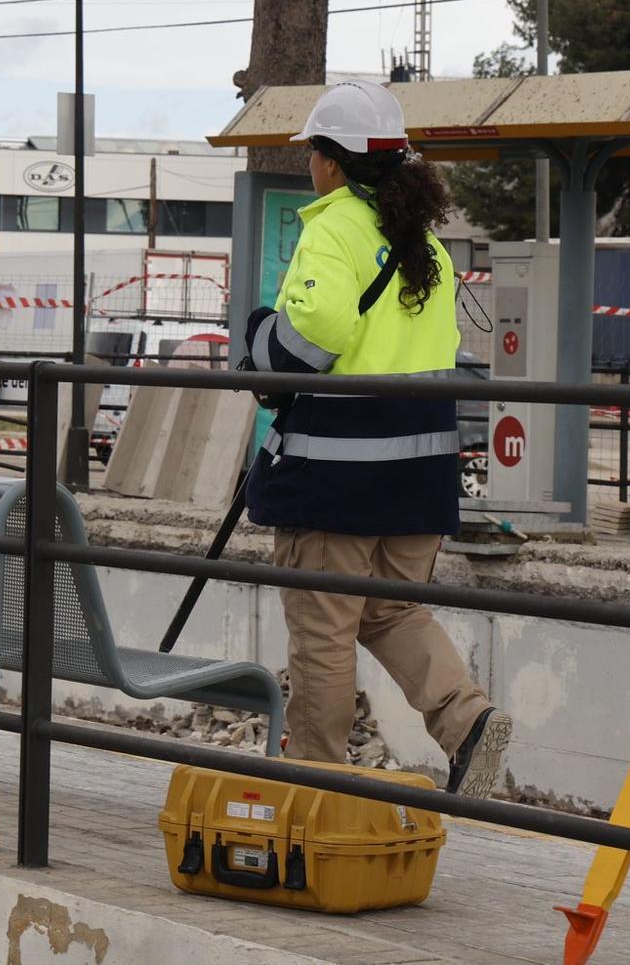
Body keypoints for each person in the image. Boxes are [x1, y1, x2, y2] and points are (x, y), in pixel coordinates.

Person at [242, 81, 511, 798]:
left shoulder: (335, 229)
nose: (310, 167)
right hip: (419, 475)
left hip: (336, 477)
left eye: (313, 154)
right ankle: (467, 721)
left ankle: (319, 784)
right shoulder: (419, 239)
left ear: (331, 162)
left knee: (325, 630)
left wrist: (260, 338)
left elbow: (316, 336)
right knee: (392, 609)